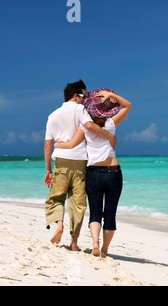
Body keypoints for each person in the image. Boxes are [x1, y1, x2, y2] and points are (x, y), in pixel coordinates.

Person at [55, 89, 132, 256]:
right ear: (107, 109)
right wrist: (111, 96)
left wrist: (56, 145)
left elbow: (71, 145)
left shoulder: (85, 126)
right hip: (113, 171)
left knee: (95, 212)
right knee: (110, 214)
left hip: (94, 172)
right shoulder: (111, 123)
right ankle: (104, 249)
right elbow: (127, 106)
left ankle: (95, 243)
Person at [44, 80, 117, 251]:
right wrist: (109, 137)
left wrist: (48, 170)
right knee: (78, 203)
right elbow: (90, 125)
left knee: (56, 197)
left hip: (60, 161)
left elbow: (47, 145)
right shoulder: (81, 110)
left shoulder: (53, 115)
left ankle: (59, 225)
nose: (86, 100)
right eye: (84, 96)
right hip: (80, 162)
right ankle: (74, 243)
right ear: (75, 96)